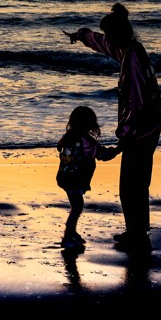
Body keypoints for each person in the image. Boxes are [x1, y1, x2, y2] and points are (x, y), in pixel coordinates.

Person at [64, 3, 161, 252]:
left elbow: (137, 102)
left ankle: (138, 235)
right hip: (147, 129)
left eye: (108, 34)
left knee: (131, 186)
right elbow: (104, 45)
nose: (107, 39)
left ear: (117, 34)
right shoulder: (132, 49)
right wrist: (84, 36)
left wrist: (125, 135)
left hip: (141, 132)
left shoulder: (132, 59)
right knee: (137, 184)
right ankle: (138, 231)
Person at [56, 106, 118, 250]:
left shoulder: (67, 136)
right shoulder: (86, 141)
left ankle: (72, 233)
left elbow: (59, 147)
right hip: (76, 179)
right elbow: (102, 154)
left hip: (64, 177)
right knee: (77, 207)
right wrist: (118, 150)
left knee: (75, 206)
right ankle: (68, 236)